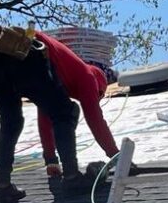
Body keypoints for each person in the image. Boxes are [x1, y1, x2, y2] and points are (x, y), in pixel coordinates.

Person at [0, 26, 88, 203]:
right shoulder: (40, 49)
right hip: (24, 66)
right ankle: (72, 177)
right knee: (65, 113)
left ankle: (3, 188)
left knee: (10, 123)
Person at [35, 31, 120, 178]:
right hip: (35, 47)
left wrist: (50, 160)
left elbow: (44, 118)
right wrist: (116, 155)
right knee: (69, 112)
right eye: (97, 96)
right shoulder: (88, 77)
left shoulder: (64, 80)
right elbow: (95, 119)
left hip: (21, 54)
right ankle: (71, 176)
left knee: (56, 110)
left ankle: (4, 187)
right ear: (98, 88)